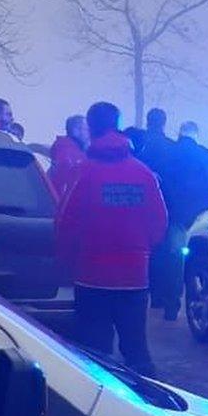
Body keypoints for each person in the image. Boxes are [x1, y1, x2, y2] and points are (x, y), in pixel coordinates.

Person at [56, 102, 168, 375]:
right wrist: (139, 249)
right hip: (134, 276)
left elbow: (65, 222)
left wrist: (71, 261)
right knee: (136, 349)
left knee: (95, 354)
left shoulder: (83, 171)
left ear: (92, 129)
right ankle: (149, 406)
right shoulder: (143, 173)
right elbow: (160, 222)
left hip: (91, 276)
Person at [156, 121, 208, 321]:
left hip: (175, 214)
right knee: (198, 260)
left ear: (180, 133)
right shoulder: (205, 154)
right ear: (196, 133)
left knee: (174, 258)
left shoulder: (168, 153)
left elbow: (161, 184)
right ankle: (197, 298)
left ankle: (171, 306)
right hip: (200, 216)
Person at [137, 108, 178, 310]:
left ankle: (153, 295)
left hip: (144, 208)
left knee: (150, 253)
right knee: (168, 254)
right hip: (169, 206)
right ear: (164, 122)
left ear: (148, 122)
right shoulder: (172, 147)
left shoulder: (141, 147)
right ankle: (166, 299)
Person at [48, 115, 89, 198]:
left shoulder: (77, 150)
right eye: (86, 129)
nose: (89, 133)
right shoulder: (65, 148)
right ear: (76, 130)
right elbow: (64, 179)